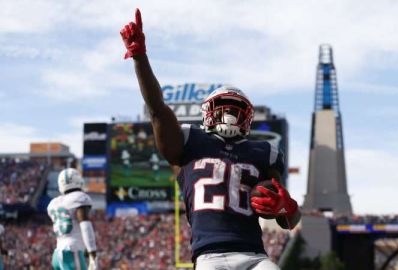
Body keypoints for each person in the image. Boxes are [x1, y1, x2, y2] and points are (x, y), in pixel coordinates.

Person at [120, 9, 301, 270]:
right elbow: (157, 108)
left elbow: (290, 220)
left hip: (253, 255)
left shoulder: (263, 152)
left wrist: (286, 206)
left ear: (247, 117)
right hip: (209, 256)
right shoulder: (189, 142)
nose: (229, 115)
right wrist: (139, 57)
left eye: (235, 109)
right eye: (224, 108)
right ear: (208, 112)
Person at [47, 168, 98, 270]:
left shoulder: (53, 203)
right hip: (72, 251)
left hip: (57, 254)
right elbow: (85, 226)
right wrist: (92, 252)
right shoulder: (79, 198)